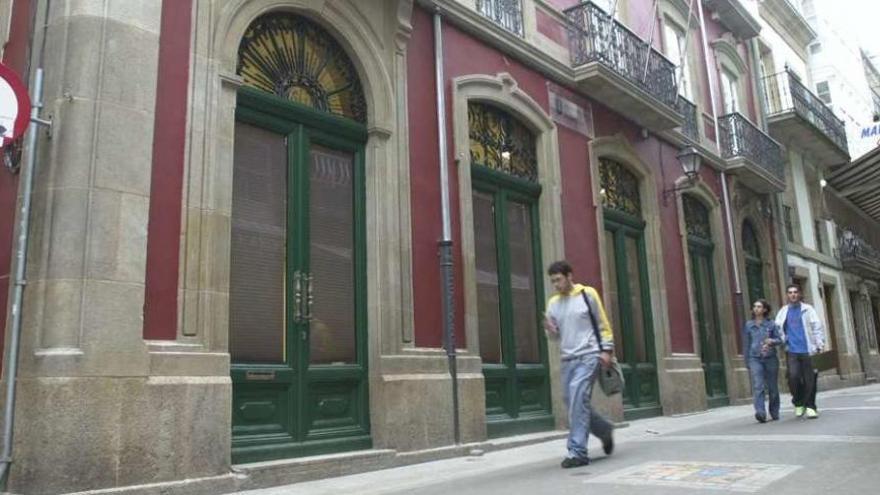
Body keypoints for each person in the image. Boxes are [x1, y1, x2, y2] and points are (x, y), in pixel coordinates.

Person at [543, 260, 614, 468]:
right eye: (553, 281)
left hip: (589, 355)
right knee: (572, 400)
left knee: (576, 396)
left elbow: (602, 323)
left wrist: (606, 350)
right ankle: (604, 430)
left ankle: (577, 452)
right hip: (568, 359)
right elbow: (555, 337)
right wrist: (550, 329)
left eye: (558, 280)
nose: (556, 285)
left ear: (569, 276)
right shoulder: (553, 303)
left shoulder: (587, 294)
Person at [774, 284, 826, 419]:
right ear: (787, 295)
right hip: (792, 350)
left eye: (795, 292)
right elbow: (778, 328)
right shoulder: (783, 311)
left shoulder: (808, 309)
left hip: (808, 350)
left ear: (800, 294)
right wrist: (782, 341)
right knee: (793, 377)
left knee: (810, 379)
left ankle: (810, 406)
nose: (793, 295)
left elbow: (817, 327)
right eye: (790, 292)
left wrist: (819, 344)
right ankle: (798, 402)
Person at [743, 299, 782, 423]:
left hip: (770, 358)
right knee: (758, 385)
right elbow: (746, 344)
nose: (756, 309)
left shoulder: (771, 324)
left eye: (759, 307)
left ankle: (774, 411)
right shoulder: (749, 325)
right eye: (754, 306)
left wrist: (772, 341)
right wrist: (747, 361)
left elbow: (780, 340)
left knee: (772, 387)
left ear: (765, 309)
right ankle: (760, 412)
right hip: (755, 358)